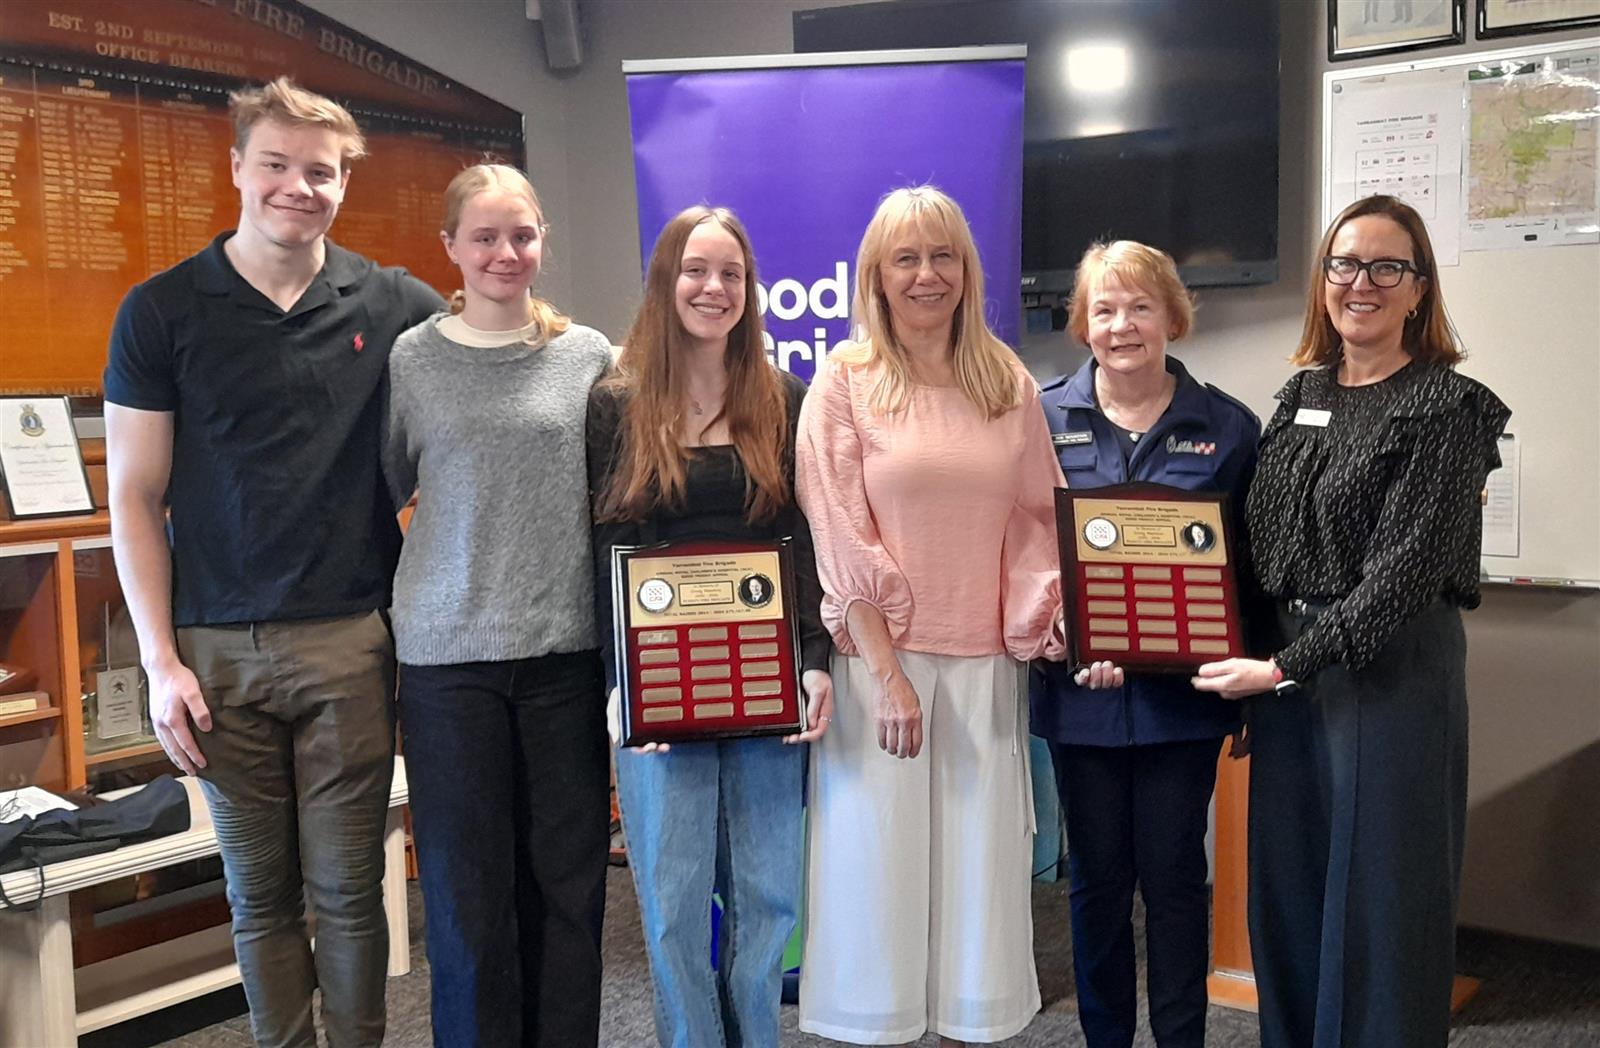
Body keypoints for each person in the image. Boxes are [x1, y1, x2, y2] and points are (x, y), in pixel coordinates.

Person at [103, 77, 442, 1047]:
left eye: (322, 172)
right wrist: (161, 664)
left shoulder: (396, 304)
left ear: (344, 184)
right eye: (278, 165)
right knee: (258, 898)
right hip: (213, 654)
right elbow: (132, 495)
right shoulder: (160, 312)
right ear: (239, 169)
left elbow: (488, 369)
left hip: (349, 644)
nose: (299, 186)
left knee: (348, 893)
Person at [1192, 195, 1510, 1048]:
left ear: (1418, 288)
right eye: (1343, 264)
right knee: (1289, 896)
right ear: (1323, 281)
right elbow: (1263, 539)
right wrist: (1258, 664)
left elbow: (1401, 578)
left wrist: (1286, 667)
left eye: (1385, 267)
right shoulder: (1301, 395)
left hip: (1391, 674)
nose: (1359, 283)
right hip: (1292, 681)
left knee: (1380, 908)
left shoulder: (1445, 408)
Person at [795, 186, 1065, 1047]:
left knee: (982, 878)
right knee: (878, 877)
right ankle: (877, 1026)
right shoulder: (844, 381)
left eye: (942, 255)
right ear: (876, 272)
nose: (926, 275)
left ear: (967, 269)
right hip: (884, 668)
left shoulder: (1005, 380)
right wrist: (887, 674)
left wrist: (1039, 621)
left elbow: (1038, 519)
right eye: (906, 257)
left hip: (986, 668)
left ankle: (969, 1024)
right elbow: (837, 529)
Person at [587, 205, 834, 1048]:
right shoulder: (617, 402)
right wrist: (619, 684)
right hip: (662, 691)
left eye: (731, 273)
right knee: (674, 901)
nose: (713, 287)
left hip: (766, 682)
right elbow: (607, 546)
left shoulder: (783, 398)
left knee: (769, 894)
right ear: (666, 279)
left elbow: (797, 539)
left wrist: (813, 659)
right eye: (696, 269)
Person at [383, 163, 614, 1046]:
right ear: (450, 247)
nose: (505, 253)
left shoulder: (587, 356)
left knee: (567, 888)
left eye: (521, 235)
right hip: (447, 664)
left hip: (563, 657)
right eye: (484, 237)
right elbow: (392, 481)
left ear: (542, 240)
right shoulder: (412, 359)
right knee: (467, 895)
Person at [1031, 240, 1260, 1048]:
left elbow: (1250, 574)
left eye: (1139, 306)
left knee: (1173, 882)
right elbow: (1023, 550)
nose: (1121, 324)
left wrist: (1248, 688)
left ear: (1171, 315)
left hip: (1180, 708)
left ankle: (1180, 1039)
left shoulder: (1229, 427)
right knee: (1094, 884)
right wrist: (1056, 632)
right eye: (1103, 308)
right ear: (1081, 323)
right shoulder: (1038, 418)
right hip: (1079, 700)